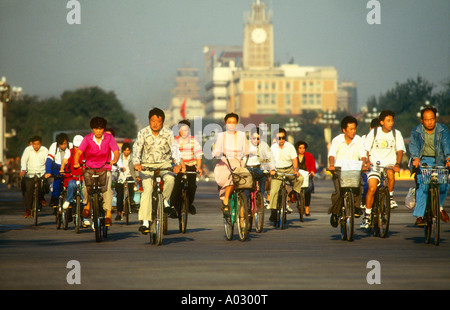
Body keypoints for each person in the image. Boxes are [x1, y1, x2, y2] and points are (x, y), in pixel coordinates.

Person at [133, 108, 182, 234]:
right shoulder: (143, 133)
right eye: (152, 121)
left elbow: (174, 149)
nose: (155, 124)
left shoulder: (168, 133)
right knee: (148, 190)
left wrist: (177, 163)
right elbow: (137, 149)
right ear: (149, 121)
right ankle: (145, 222)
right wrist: (137, 163)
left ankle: (164, 201)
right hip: (146, 165)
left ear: (162, 122)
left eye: (158, 121)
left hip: (164, 164)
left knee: (170, 179)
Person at [362, 110, 406, 228]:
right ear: (382, 122)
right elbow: (366, 149)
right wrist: (366, 161)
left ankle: (390, 197)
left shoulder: (396, 134)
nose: (390, 123)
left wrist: (397, 164)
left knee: (391, 174)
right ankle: (367, 216)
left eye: (392, 120)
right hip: (374, 165)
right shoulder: (374, 132)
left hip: (389, 164)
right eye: (388, 121)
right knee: (371, 188)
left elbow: (400, 150)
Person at [73, 117, 120, 226]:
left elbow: (116, 151)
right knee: (86, 187)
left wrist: (114, 160)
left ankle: (108, 214)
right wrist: (76, 162)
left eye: (100, 129)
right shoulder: (87, 139)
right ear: (92, 129)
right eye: (96, 129)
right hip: (89, 168)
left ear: (104, 129)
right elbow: (79, 152)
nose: (98, 131)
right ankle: (87, 204)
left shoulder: (109, 138)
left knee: (107, 189)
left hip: (105, 168)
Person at [409, 106, 450, 226]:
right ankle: (420, 216)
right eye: (426, 120)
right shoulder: (416, 131)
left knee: (444, 184)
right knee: (423, 185)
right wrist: (416, 158)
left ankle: (440, 207)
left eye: (432, 119)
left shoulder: (443, 130)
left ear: (435, 119)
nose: (429, 122)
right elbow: (413, 146)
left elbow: (446, 145)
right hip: (423, 161)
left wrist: (448, 158)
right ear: (422, 120)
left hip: (439, 160)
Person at [328, 116, 367, 226]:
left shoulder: (359, 140)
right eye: (350, 129)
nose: (353, 131)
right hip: (339, 169)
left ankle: (356, 207)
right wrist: (331, 165)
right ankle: (335, 213)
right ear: (344, 130)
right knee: (338, 192)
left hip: (354, 168)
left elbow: (362, 154)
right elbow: (332, 154)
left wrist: (364, 163)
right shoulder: (337, 140)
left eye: (354, 129)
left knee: (358, 186)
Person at [213, 112, 249, 213]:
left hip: (239, 163)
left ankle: (244, 216)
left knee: (245, 183)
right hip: (225, 163)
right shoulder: (221, 136)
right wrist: (219, 153)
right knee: (231, 177)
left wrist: (248, 157)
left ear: (237, 123)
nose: (231, 124)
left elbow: (247, 151)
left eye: (234, 122)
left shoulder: (242, 135)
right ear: (225, 123)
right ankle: (226, 199)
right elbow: (216, 151)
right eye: (229, 122)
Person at [268, 128, 303, 223]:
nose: (281, 140)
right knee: (274, 191)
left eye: (283, 137)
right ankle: (273, 211)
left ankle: (293, 192)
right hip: (277, 171)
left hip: (289, 169)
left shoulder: (290, 146)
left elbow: (294, 159)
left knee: (300, 178)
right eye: (279, 138)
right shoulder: (273, 147)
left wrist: (296, 170)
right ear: (275, 138)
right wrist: (271, 169)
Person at [170, 120, 203, 218]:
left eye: (186, 130)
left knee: (192, 186)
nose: (184, 132)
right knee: (176, 186)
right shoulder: (174, 141)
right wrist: (180, 166)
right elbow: (175, 155)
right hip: (178, 165)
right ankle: (172, 207)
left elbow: (198, 154)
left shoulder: (193, 140)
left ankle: (189, 204)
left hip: (191, 165)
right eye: (182, 130)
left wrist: (199, 167)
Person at [20, 136, 49, 218]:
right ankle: (28, 209)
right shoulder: (28, 150)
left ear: (41, 144)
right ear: (32, 144)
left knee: (44, 186)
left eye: (38, 144)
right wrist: (23, 170)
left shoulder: (44, 150)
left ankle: (41, 198)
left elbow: (48, 161)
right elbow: (24, 160)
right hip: (30, 173)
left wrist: (48, 171)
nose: (36, 146)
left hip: (41, 172)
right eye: (34, 144)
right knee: (28, 191)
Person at [246, 127, 275, 205]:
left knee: (263, 175)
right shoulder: (245, 144)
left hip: (258, 168)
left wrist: (272, 168)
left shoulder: (264, 145)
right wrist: (247, 153)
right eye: (254, 138)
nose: (256, 140)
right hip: (247, 169)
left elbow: (270, 157)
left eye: (258, 138)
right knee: (246, 189)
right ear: (250, 136)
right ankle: (246, 204)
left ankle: (261, 196)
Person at [45, 133, 71, 208]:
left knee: (70, 182)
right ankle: (55, 199)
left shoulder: (71, 146)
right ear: (58, 143)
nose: (64, 146)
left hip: (67, 168)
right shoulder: (54, 146)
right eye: (61, 144)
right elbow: (49, 159)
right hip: (57, 168)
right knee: (57, 180)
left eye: (65, 143)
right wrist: (48, 172)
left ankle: (70, 200)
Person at [114, 143, 138, 221]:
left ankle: (131, 200)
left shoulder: (133, 158)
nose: (127, 152)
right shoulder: (119, 157)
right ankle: (119, 213)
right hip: (120, 177)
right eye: (125, 150)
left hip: (130, 176)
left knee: (132, 188)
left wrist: (137, 176)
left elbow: (136, 167)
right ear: (123, 150)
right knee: (120, 195)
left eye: (128, 150)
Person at [295, 140, 317, 216]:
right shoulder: (294, 156)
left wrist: (312, 171)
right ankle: (298, 202)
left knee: (308, 190)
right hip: (297, 176)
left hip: (307, 176)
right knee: (294, 189)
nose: (302, 150)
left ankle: (307, 208)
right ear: (297, 149)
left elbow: (313, 165)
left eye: (303, 148)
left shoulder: (309, 156)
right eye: (300, 148)